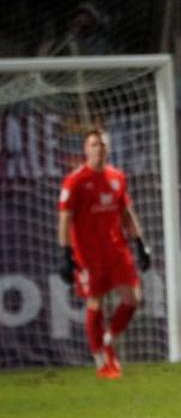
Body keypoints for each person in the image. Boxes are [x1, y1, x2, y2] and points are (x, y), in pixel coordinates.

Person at [57, 130, 153, 378]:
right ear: (85, 149)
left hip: (117, 250)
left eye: (102, 144)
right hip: (88, 254)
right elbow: (65, 219)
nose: (98, 148)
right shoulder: (75, 180)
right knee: (95, 302)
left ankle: (108, 338)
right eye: (93, 144)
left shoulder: (117, 177)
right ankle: (101, 359)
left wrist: (141, 243)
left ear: (108, 149)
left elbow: (127, 213)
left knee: (133, 298)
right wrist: (65, 253)